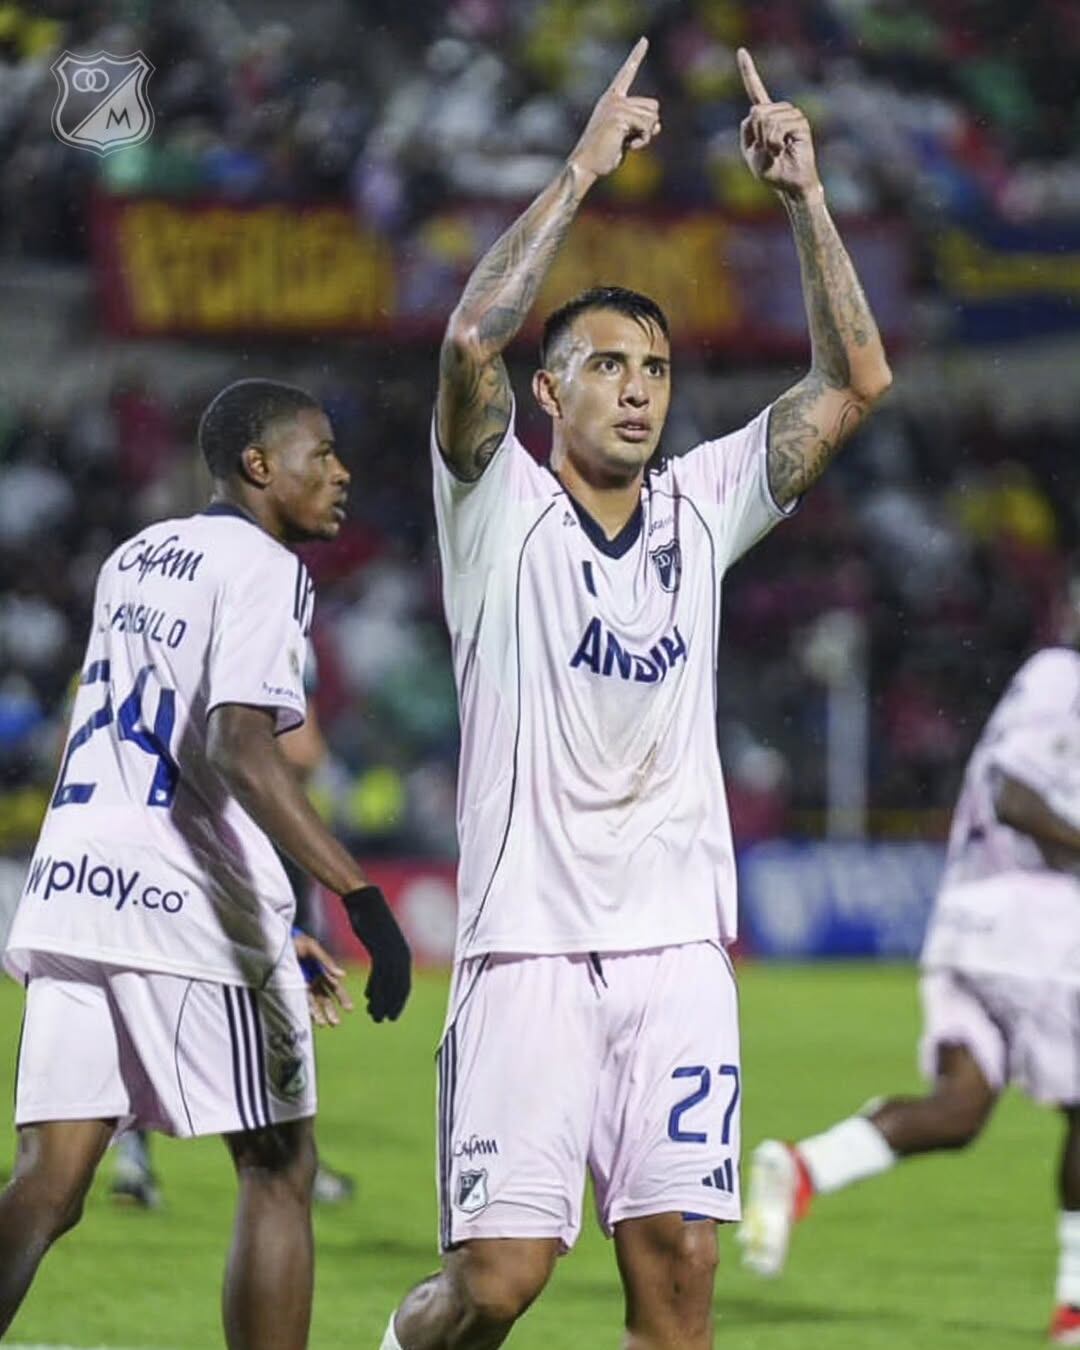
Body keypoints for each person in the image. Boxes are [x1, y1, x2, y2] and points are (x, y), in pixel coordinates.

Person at [380, 38, 891, 1350]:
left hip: (675, 952)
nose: (640, 387)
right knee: (498, 1281)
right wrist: (581, 169)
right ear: (549, 392)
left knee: (678, 1281)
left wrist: (805, 198)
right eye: (609, 363)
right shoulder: (497, 511)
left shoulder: (701, 506)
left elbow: (854, 383)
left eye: (656, 368)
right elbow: (467, 337)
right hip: (527, 946)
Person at [0, 378, 412, 1349]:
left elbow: (137, 741)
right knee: (278, 1165)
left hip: (74, 882)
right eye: (322, 454)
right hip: (181, 901)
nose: (342, 474)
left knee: (50, 1181)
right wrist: (360, 899)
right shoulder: (267, 568)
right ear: (260, 466)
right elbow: (238, 747)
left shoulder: (136, 554)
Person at [739, 642, 1080, 1344]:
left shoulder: (1045, 677)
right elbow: (1012, 791)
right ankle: (1075, 1307)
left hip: (972, 925)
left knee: (958, 1110)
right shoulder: (1063, 676)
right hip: (1033, 927)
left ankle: (807, 1168)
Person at [110, 667, 357, 1210]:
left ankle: (133, 1158)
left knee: (137, 988)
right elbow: (303, 751)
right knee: (274, 994)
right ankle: (290, 1153)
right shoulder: (275, 628)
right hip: (242, 837)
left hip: (136, 840)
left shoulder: (136, 631)